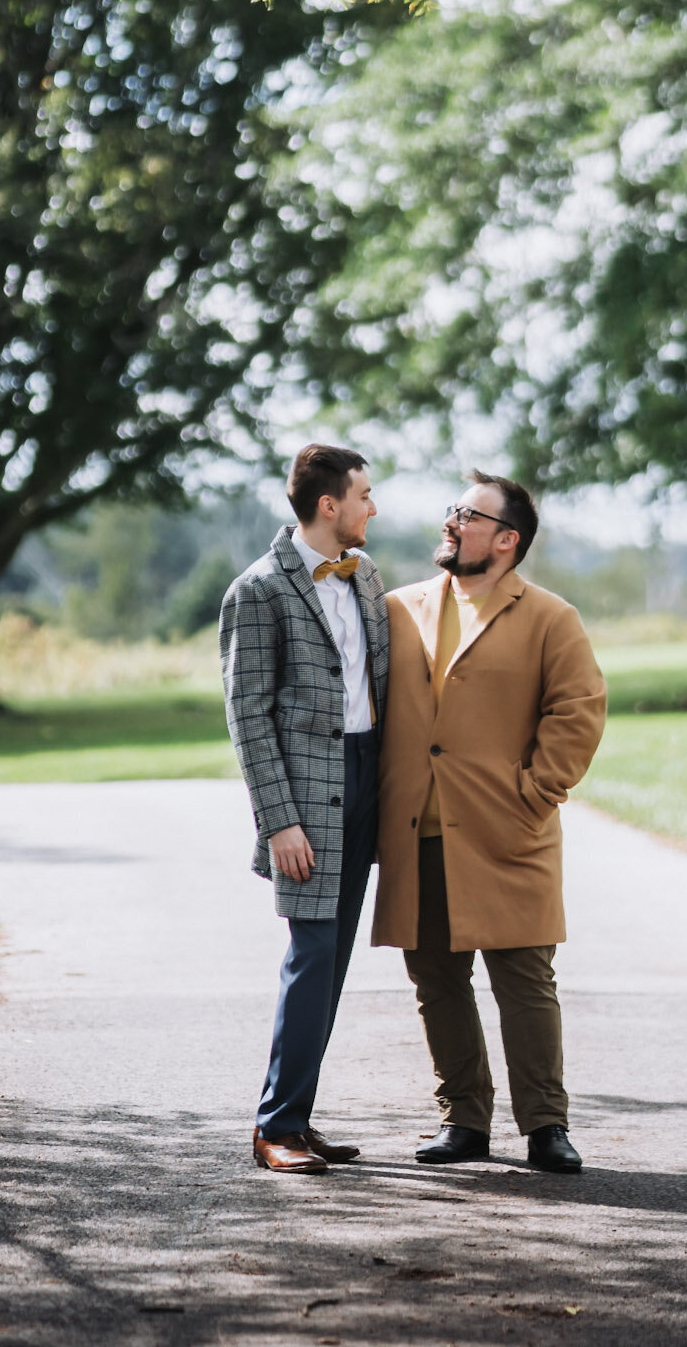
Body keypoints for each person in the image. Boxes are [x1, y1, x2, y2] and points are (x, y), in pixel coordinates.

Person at [373, 471, 607, 1174]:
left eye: (468, 516)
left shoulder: (550, 618)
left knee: (525, 982)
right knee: (437, 983)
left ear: (506, 541)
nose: (451, 523)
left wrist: (535, 793)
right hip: (419, 832)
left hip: (509, 831)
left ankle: (546, 1126)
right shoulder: (397, 609)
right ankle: (464, 1121)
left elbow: (579, 710)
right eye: (452, 511)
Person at [220, 443, 388, 1173]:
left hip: (367, 783)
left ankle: (300, 1118)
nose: (372, 508)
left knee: (334, 960)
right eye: (364, 495)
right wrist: (278, 820)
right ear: (331, 505)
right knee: (312, 952)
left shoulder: (367, 577)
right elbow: (247, 715)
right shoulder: (257, 589)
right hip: (304, 801)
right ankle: (275, 1128)